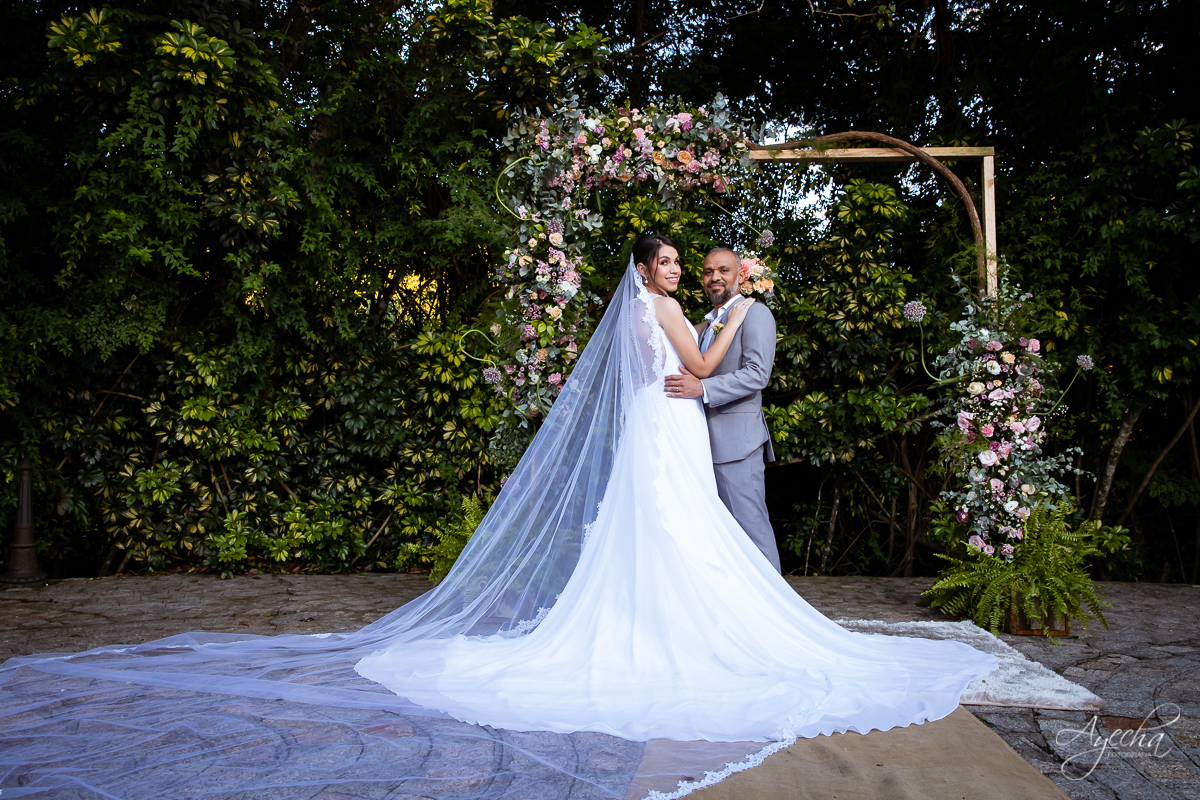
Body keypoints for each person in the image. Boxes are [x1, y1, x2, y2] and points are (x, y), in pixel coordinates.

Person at [0, 233, 997, 797]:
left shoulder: (640, 312)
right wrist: (725, 325)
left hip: (666, 437)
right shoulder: (684, 314)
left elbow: (696, 377)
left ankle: (691, 616)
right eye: (679, 264)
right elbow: (699, 370)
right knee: (688, 538)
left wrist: (728, 335)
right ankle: (723, 626)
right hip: (675, 428)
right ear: (651, 274)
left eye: (702, 267)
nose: (692, 273)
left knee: (657, 535)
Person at [664, 247, 781, 571]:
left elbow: (758, 374)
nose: (714, 277)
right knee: (719, 537)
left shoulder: (754, 313)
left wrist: (704, 388)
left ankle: (772, 611)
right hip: (699, 445)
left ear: (740, 275)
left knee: (750, 528)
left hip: (736, 444)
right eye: (707, 271)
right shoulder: (701, 327)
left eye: (723, 270)